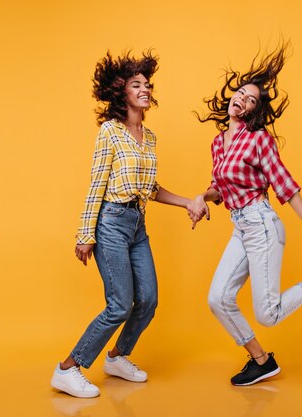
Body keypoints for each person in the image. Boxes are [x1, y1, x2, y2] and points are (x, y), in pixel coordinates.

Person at [191, 41, 302, 386]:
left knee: (268, 314)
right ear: (230, 98)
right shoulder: (219, 143)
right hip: (241, 228)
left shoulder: (259, 139)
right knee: (218, 298)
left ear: (254, 111)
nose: (242, 100)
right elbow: (220, 187)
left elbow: (284, 184)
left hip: (262, 224)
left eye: (251, 99)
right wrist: (201, 197)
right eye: (240, 93)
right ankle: (262, 361)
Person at [51, 50, 201, 398]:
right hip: (111, 223)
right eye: (137, 85)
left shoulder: (149, 138)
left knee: (148, 299)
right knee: (120, 303)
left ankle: (117, 358)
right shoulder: (110, 132)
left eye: (147, 84)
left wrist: (187, 203)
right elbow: (97, 184)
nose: (145, 89)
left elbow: (150, 189)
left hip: (137, 224)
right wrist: (86, 234)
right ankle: (68, 368)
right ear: (123, 92)